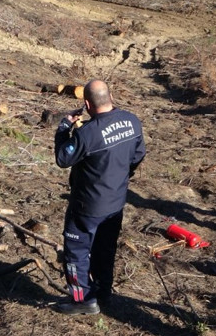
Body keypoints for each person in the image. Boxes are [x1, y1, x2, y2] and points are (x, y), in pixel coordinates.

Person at [52, 79, 146, 315]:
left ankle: (82, 299)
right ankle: (104, 291)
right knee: (106, 248)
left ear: (86, 104)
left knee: (76, 252)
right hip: (116, 202)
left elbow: (64, 158)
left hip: (87, 206)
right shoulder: (132, 121)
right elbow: (138, 155)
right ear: (110, 96)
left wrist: (64, 128)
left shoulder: (88, 133)